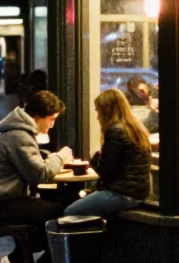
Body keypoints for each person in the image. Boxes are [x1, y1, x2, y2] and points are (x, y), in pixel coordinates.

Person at [0, 89, 73, 263]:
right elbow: (40, 174)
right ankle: (23, 262)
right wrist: (60, 156)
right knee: (62, 214)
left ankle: (30, 262)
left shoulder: (17, 131)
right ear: (38, 117)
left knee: (49, 211)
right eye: (51, 119)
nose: (53, 125)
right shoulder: (20, 136)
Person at [63, 88, 152, 217]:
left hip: (122, 194)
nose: (97, 116)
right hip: (137, 193)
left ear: (106, 111)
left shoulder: (115, 130)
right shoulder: (134, 128)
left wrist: (95, 158)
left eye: (98, 111)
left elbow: (104, 170)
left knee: (70, 211)